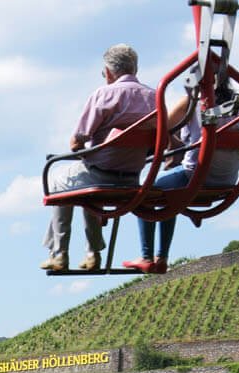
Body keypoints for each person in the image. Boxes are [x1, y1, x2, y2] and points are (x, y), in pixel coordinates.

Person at [41, 44, 156, 272]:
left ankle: (59, 253)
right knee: (83, 187)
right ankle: (93, 253)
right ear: (135, 69)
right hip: (133, 178)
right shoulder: (153, 97)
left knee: (57, 181)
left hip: (100, 175)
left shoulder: (104, 95)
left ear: (109, 71)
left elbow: (77, 141)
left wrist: (83, 145)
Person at [123, 97, 239, 274]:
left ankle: (147, 256)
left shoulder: (191, 102)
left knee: (144, 191)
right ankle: (162, 258)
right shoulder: (237, 103)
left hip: (196, 177)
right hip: (228, 178)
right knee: (169, 193)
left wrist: (174, 145)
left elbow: (161, 130)